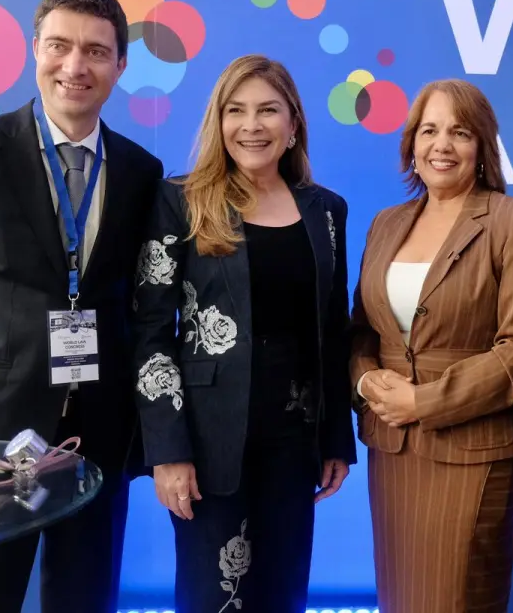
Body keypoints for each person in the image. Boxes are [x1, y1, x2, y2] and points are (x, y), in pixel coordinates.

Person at [0, 0, 163, 613]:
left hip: (98, 429)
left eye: (96, 51)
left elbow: (136, 301)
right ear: (35, 50)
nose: (75, 66)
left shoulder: (141, 172)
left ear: (120, 65)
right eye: (59, 46)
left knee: (84, 596)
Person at [131, 54, 355, 613]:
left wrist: (336, 439)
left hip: (294, 441)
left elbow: (332, 331)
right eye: (236, 111)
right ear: (219, 121)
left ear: (293, 123)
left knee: (282, 592)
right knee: (213, 595)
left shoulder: (326, 210)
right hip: (207, 443)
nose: (251, 126)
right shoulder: (180, 200)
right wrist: (167, 451)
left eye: (268, 110)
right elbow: (151, 331)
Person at [349, 79, 513, 612]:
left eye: (459, 132)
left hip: (473, 449)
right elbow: (362, 331)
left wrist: (424, 401)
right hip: (393, 447)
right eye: (429, 130)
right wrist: (366, 381)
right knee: (401, 598)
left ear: (482, 145)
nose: (441, 145)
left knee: (459, 598)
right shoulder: (386, 223)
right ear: (411, 143)